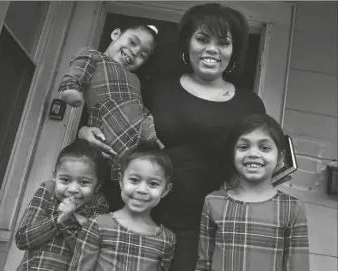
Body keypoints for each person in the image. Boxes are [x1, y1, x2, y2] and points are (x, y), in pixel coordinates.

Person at [77, 3, 266, 270]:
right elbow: (113, 113)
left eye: (223, 42)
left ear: (233, 51)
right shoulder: (156, 87)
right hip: (135, 210)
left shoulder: (250, 105)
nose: (212, 49)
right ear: (188, 44)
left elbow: (255, 164)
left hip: (197, 225)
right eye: (202, 39)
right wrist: (84, 131)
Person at [196, 114, 310, 271]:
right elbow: (204, 262)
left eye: (264, 148)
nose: (253, 154)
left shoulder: (292, 207)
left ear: (280, 157)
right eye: (243, 147)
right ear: (233, 153)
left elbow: (298, 266)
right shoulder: (213, 201)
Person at [58, 24, 163, 181]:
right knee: (117, 161)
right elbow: (78, 70)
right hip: (107, 123)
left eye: (142, 55)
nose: (134, 52)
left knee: (148, 158)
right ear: (115, 34)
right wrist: (71, 89)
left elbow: (139, 104)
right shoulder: (93, 55)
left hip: (141, 126)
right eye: (133, 42)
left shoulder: (135, 79)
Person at [69, 141, 176, 271]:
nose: (142, 189)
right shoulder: (98, 225)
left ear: (165, 190)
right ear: (121, 180)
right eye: (134, 180)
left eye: (153, 184)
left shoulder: (166, 239)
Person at [15, 139, 110, 271]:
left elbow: (88, 253)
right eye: (65, 180)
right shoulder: (48, 190)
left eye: (83, 182)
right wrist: (58, 219)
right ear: (55, 177)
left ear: (98, 185)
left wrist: (68, 218)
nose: (73, 189)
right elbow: (22, 239)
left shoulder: (98, 202)